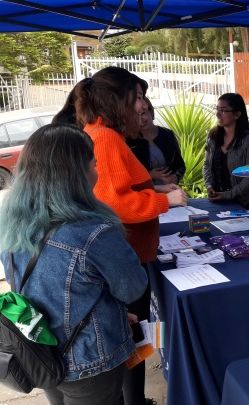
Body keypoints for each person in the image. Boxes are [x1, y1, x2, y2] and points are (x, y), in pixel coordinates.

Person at [0, 124, 148, 405]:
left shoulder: (11, 221)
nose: (97, 171)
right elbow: (133, 288)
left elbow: (31, 288)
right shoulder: (93, 232)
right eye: (94, 163)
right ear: (76, 173)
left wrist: (111, 313)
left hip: (40, 352)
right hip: (90, 360)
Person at [73, 66, 186, 405]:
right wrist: (165, 201)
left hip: (128, 252)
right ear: (117, 98)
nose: (142, 106)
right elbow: (116, 203)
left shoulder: (105, 134)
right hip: (125, 256)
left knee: (133, 337)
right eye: (137, 97)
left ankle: (135, 398)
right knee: (134, 337)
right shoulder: (106, 138)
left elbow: (121, 188)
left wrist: (154, 188)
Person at [203, 93, 249, 208]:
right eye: (217, 109)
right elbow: (206, 164)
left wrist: (228, 194)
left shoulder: (248, 140)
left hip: (242, 203)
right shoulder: (213, 136)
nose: (217, 114)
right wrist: (209, 186)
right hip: (217, 201)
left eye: (223, 110)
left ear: (237, 114)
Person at [130, 97, 186, 185]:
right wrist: (150, 175)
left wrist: (176, 177)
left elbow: (180, 166)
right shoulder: (130, 141)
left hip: (170, 190)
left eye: (143, 113)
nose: (141, 120)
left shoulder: (168, 134)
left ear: (151, 112)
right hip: (145, 191)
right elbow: (129, 175)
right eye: (136, 117)